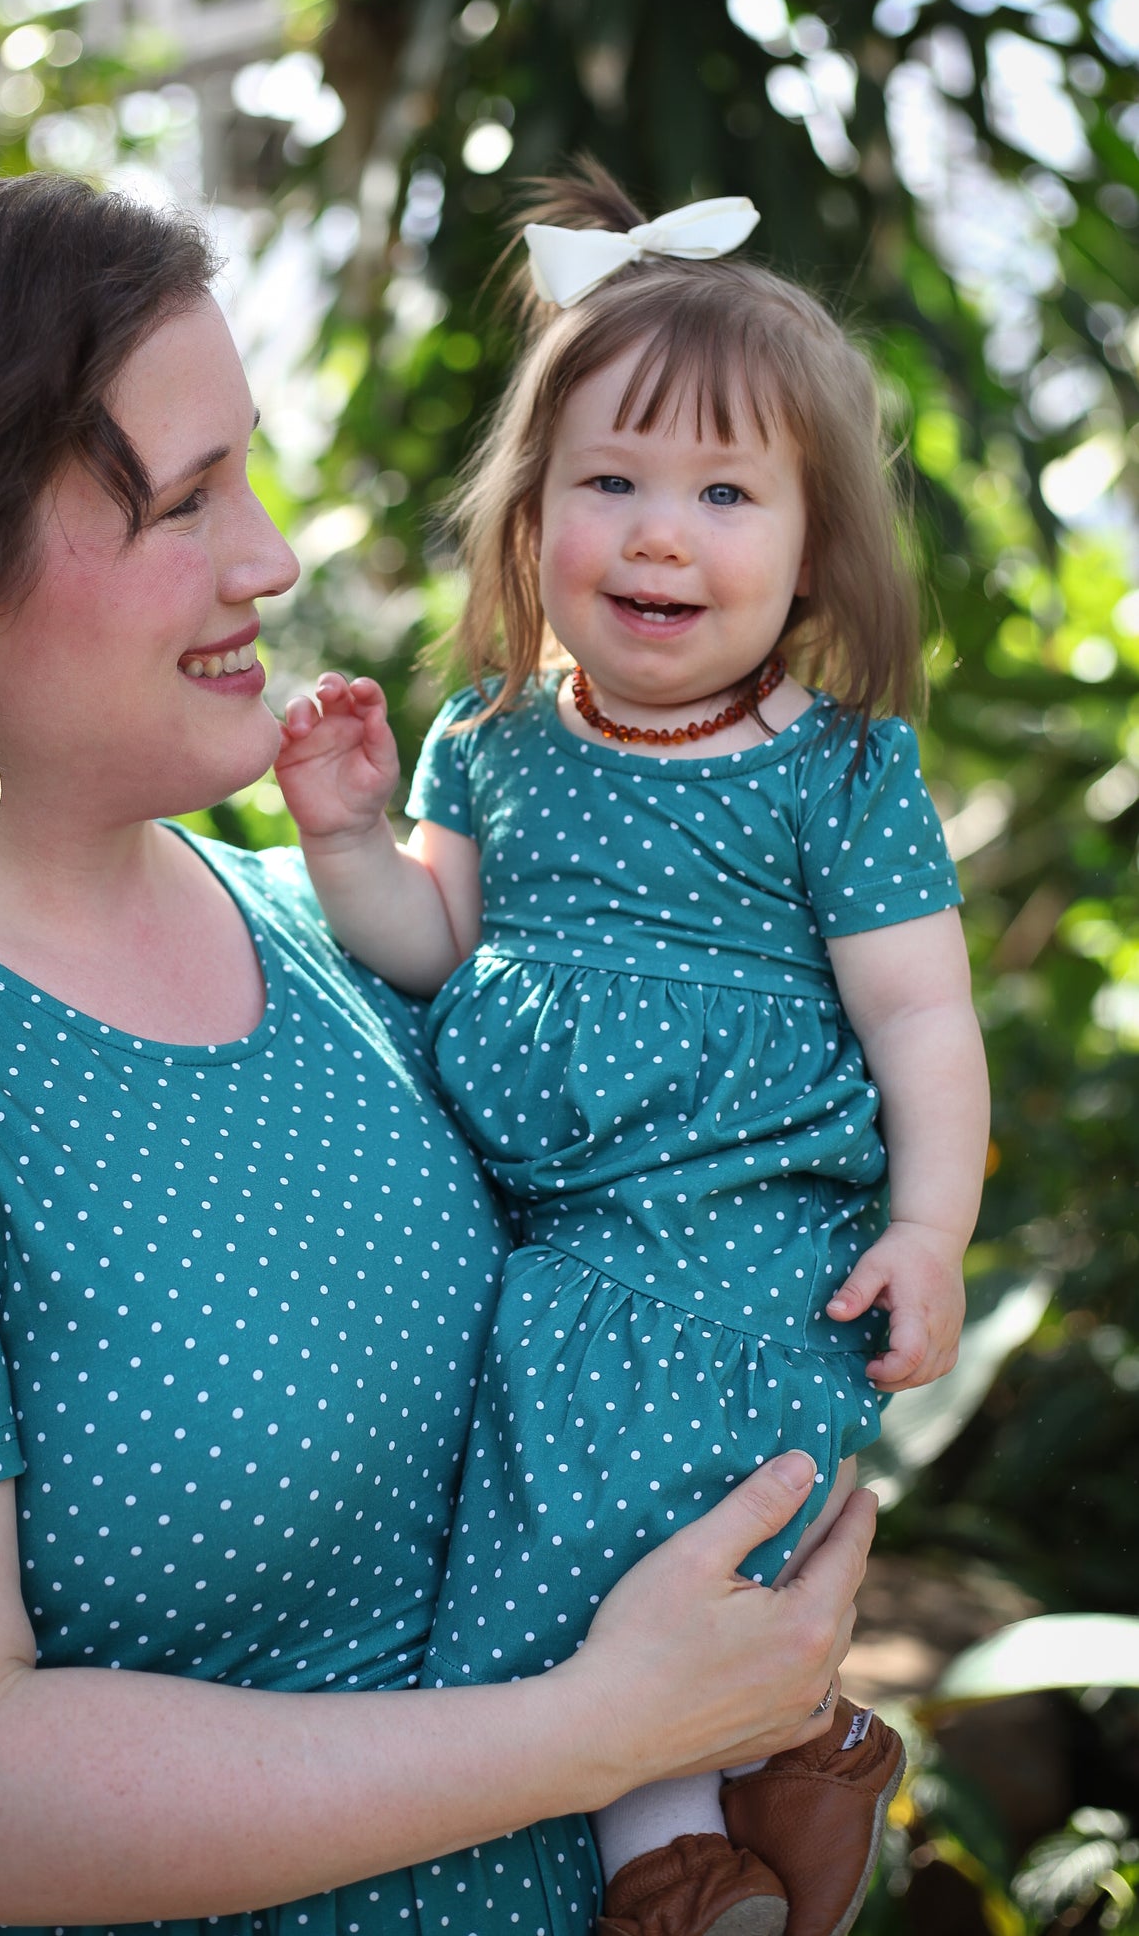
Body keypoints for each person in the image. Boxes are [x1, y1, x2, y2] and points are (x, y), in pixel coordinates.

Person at [0, 171, 875, 1936]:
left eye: (246, 466)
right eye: (181, 503)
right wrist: (595, 1732)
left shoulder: (352, 928)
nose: (273, 555)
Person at [275, 163, 989, 1936]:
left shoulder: (832, 769)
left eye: (723, 493)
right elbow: (431, 950)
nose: (657, 533)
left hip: (753, 1253)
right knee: (546, 1530)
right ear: (530, 521)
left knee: (651, 1511)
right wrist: (352, 840)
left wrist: (927, 1233)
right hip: (563, 1264)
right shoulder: (495, 739)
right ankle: (708, 1828)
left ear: (813, 544)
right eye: (608, 483)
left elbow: (919, 1014)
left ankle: (725, 1805)